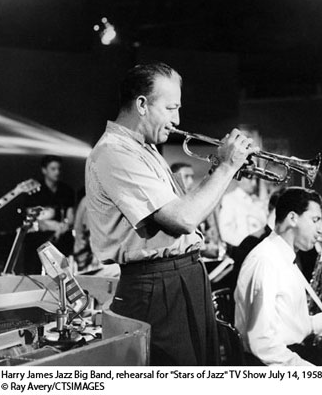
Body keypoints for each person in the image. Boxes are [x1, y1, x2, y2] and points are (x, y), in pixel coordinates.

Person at [85, 62, 256, 366]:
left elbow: (187, 209)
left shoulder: (145, 149)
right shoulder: (115, 151)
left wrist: (217, 171)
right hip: (157, 284)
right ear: (141, 104)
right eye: (171, 108)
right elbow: (183, 219)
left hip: (181, 275)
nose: (177, 120)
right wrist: (228, 167)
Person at [234, 187, 322, 366]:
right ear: (293, 218)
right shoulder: (266, 261)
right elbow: (262, 343)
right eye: (315, 220)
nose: (320, 230)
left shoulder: (283, 256)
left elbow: (290, 326)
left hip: (287, 355)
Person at [23, 155, 75, 274]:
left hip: (61, 239)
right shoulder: (35, 191)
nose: (57, 172)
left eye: (59, 169)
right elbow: (32, 217)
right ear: (44, 170)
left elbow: (70, 216)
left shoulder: (66, 190)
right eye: (53, 169)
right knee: (34, 269)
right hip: (38, 239)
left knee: (63, 271)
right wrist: (53, 224)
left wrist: (63, 226)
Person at [218, 177, 267, 247]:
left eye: (256, 179)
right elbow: (226, 232)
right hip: (241, 250)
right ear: (241, 179)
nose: (254, 183)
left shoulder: (258, 202)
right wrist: (246, 245)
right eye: (250, 179)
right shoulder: (230, 199)